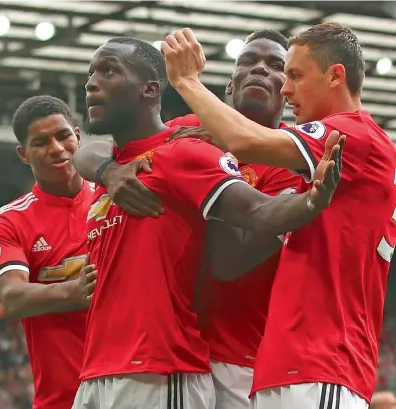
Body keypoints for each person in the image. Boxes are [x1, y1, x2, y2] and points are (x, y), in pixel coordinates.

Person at [71, 36, 342, 409]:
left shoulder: (291, 167)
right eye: (247, 61)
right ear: (228, 85)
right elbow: (99, 148)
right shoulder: (187, 129)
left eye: (276, 66)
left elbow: (230, 262)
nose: (260, 68)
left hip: (239, 356)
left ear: (288, 93)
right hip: (167, 346)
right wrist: (110, 172)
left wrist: (204, 181)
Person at [161, 23, 396, 408]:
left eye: (295, 75)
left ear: (335, 76)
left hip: (324, 363)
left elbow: (245, 139)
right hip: (284, 366)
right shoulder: (318, 162)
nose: (285, 90)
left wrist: (187, 81)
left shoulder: (357, 136)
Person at [0, 95, 97, 409]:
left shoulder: (115, 197)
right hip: (63, 398)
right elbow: (15, 296)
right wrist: (73, 291)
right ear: (23, 154)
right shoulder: (8, 221)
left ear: (78, 136)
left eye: (63, 136)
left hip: (134, 385)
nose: (57, 149)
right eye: (40, 142)